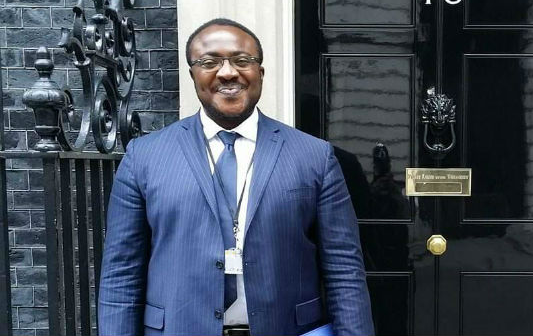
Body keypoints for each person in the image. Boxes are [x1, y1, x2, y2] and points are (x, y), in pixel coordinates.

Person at [98, 18, 374, 336]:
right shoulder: (144, 157)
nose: (228, 72)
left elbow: (344, 270)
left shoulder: (315, 156)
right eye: (210, 62)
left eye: (242, 60)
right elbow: (121, 273)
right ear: (193, 74)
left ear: (261, 73)